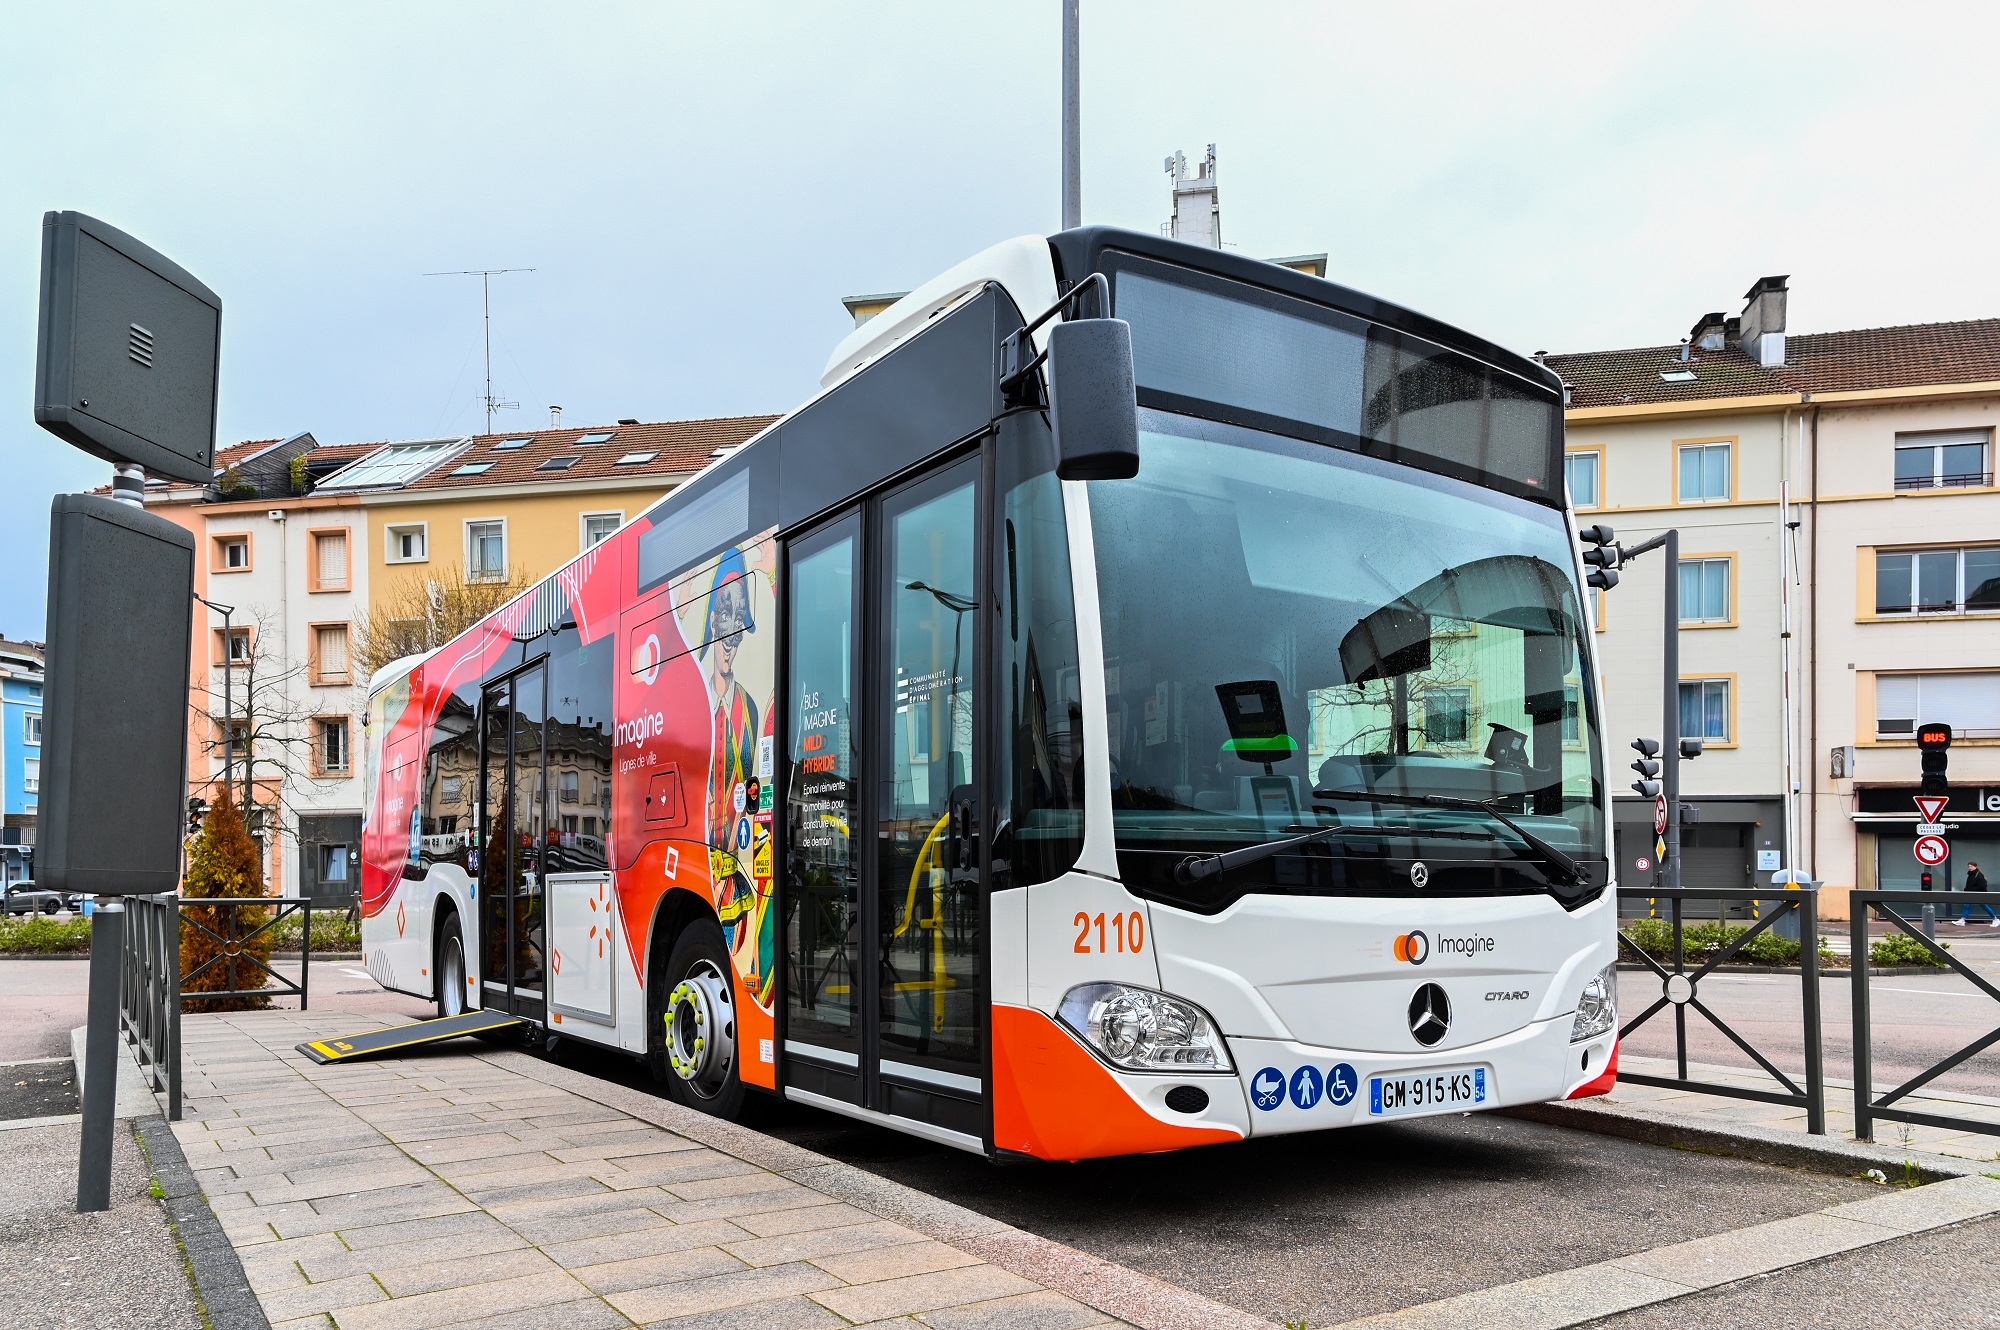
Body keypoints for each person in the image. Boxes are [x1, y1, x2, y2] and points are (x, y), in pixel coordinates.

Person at [1952, 859, 1996, 927]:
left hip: (1979, 894)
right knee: (1967, 905)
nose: (1970, 868)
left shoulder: (1979, 875)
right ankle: (1962, 920)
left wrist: (1973, 890)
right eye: (1969, 866)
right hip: (1971, 893)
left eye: (1971, 866)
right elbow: (1969, 884)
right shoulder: (1970, 874)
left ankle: (1995, 919)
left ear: (1975, 866)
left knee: (1984, 906)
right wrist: (1966, 890)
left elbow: (1982, 885)